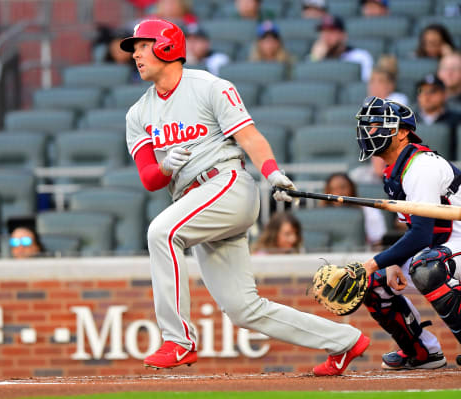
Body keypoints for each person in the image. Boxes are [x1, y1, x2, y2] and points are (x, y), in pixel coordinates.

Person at [120, 18, 369, 376]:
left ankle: (178, 340)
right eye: (134, 49)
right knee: (242, 309)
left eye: (142, 45)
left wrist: (272, 172)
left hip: (227, 185)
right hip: (196, 203)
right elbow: (148, 179)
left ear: (166, 46)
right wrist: (166, 168)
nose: (136, 54)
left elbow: (249, 137)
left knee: (161, 233)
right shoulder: (137, 113)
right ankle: (343, 340)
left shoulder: (208, 87)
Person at [355, 95, 461, 369]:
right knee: (374, 282)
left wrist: (373, 262)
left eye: (378, 125)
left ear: (402, 133)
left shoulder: (421, 165)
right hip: (448, 246)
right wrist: (386, 265)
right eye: (369, 125)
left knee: (425, 266)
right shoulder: (395, 172)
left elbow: (422, 236)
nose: (370, 131)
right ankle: (422, 352)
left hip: (455, 245)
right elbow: (421, 230)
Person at [322, 172, 387, 249]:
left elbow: (378, 242)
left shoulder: (369, 211)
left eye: (343, 187)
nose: (338, 193)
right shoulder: (321, 215)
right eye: (333, 189)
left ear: (352, 188)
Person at [309, 15, 373, 81]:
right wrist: (316, 59)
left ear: (343, 35)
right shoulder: (315, 57)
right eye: (323, 32)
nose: (326, 36)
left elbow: (365, 85)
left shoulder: (359, 56)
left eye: (331, 31)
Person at [414, 73, 461, 160]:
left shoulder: (457, 120)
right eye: (421, 91)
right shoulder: (409, 120)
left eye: (433, 91)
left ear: (444, 95)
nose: (426, 95)